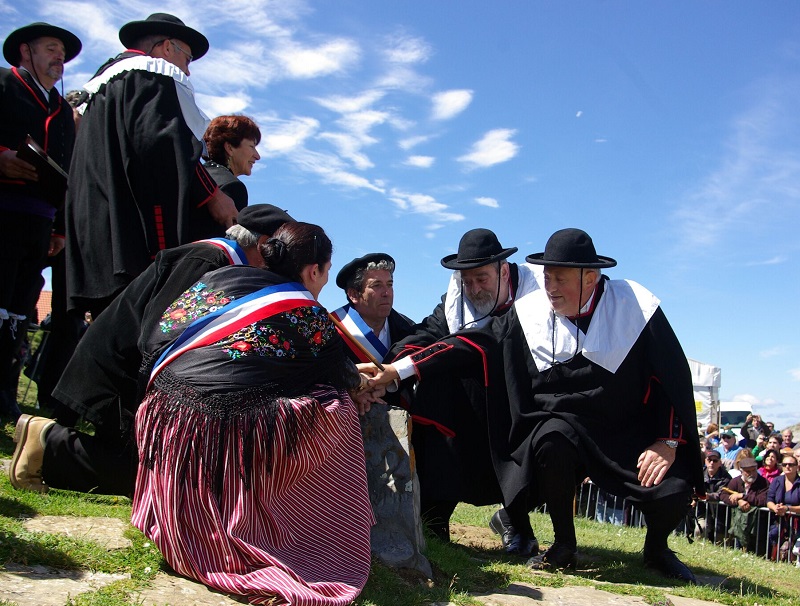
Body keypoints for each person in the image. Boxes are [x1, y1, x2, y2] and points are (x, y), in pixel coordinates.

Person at [366, 228, 703, 582]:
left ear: (590, 277)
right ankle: (562, 544)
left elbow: (670, 381)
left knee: (674, 489)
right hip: (563, 426)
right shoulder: (530, 311)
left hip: (628, 430)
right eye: (547, 277)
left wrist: (666, 442)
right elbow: (471, 342)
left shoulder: (636, 308)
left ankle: (657, 550)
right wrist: (396, 371)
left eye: (560, 278)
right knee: (549, 441)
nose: (551, 287)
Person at [131, 221, 380, 605]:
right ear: (314, 270)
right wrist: (360, 381)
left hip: (164, 417)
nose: (323, 281)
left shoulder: (220, 278)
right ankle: (303, 524)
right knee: (337, 404)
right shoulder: (309, 314)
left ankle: (178, 514)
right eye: (327, 273)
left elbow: (157, 337)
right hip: (212, 428)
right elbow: (343, 377)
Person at [9, 205, 294, 496]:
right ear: (262, 245)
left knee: (155, 472)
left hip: (128, 370)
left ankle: (47, 445)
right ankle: (46, 444)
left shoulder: (217, 260)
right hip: (121, 374)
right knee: (153, 476)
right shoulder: (207, 260)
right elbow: (162, 331)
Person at [66, 13, 238, 319]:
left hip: (93, 235)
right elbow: (163, 148)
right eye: (187, 58)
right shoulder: (150, 75)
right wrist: (213, 195)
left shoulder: (98, 93)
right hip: (133, 237)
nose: (187, 69)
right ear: (167, 48)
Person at [389, 228, 542, 555]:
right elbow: (426, 334)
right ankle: (434, 517)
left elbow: (489, 340)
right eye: (467, 280)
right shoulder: (455, 301)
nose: (473, 289)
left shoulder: (538, 292)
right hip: (474, 411)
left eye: (482, 279)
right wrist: (388, 369)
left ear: (503, 271)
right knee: (437, 391)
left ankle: (516, 519)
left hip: (526, 403)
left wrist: (408, 367)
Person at [0, 22, 81, 419]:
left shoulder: (63, 110)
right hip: (2, 209)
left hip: (38, 223)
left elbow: (65, 172)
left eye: (62, 53)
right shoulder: (3, 84)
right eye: (51, 49)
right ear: (25, 52)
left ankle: (5, 392)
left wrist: (60, 229)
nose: (59, 58)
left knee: (19, 309)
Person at [194, 115, 261, 237]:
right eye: (252, 146)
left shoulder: (198, 176)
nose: (257, 156)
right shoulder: (232, 187)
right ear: (229, 148)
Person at [720, 457, 769, 553]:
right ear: (741, 471)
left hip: (757, 524)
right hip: (738, 523)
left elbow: (763, 500)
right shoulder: (735, 481)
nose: (751, 474)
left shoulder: (763, 482)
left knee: (756, 549)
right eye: (748, 471)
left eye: (754, 470)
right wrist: (739, 501)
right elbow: (723, 495)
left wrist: (742, 496)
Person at [766, 454, 800, 561]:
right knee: (775, 538)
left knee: (794, 548)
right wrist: (775, 508)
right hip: (778, 521)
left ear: (797, 466)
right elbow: (769, 500)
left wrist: (788, 509)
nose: (787, 467)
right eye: (784, 464)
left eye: (791, 464)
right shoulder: (777, 481)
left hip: (797, 523)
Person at [698, 449, 731, 543]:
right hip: (703, 511)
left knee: (720, 539)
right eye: (709, 460)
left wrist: (708, 496)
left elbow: (722, 493)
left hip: (721, 514)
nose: (712, 463)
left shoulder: (726, 477)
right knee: (700, 529)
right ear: (705, 461)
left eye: (715, 461)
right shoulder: (700, 474)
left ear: (720, 463)